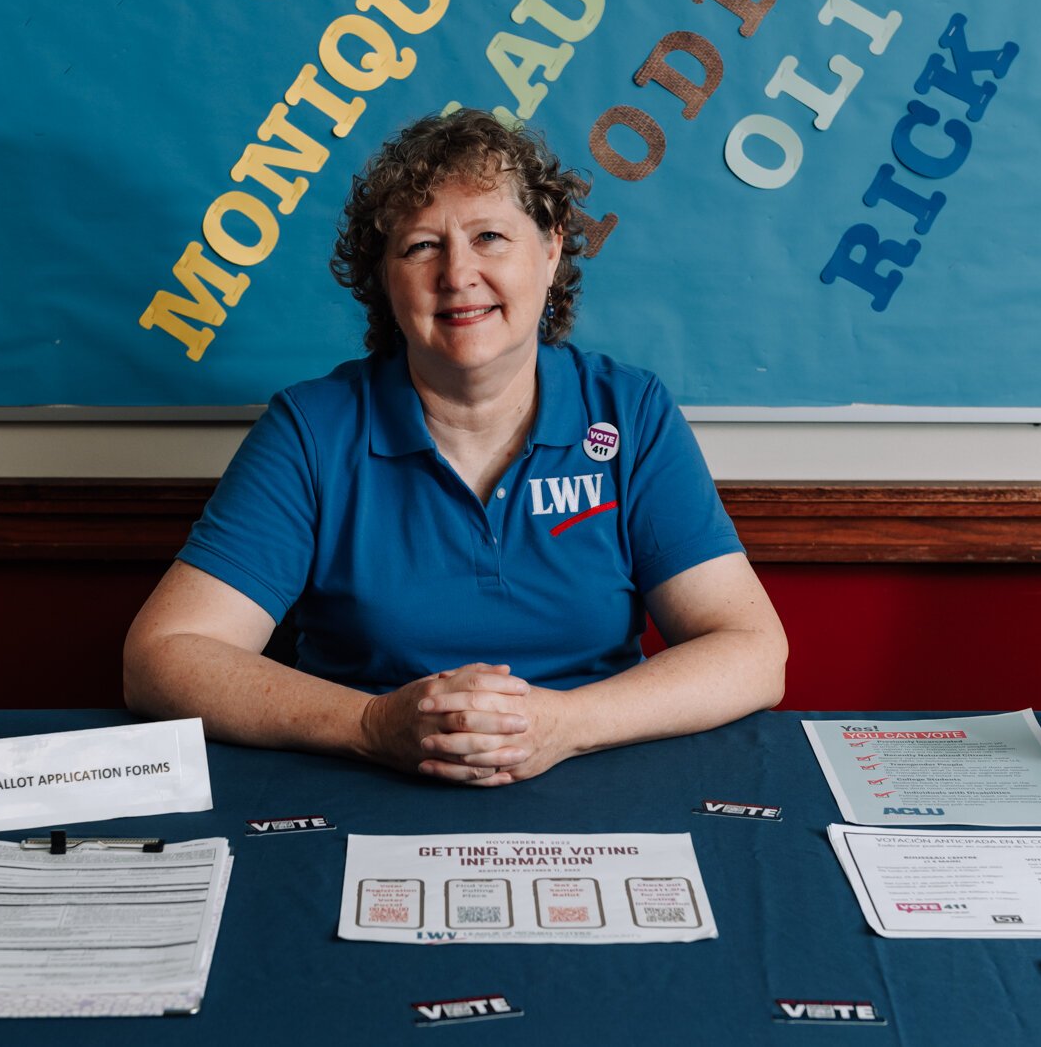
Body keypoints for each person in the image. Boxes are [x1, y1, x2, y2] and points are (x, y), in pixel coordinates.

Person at [124, 109, 786, 786]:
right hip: (361, 787)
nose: (457, 273)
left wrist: (565, 725)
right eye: (420, 247)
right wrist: (373, 725)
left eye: (490, 236)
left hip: (596, 779)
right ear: (384, 279)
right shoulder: (311, 428)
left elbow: (754, 650)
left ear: (552, 250)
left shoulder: (631, 413)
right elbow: (163, 656)